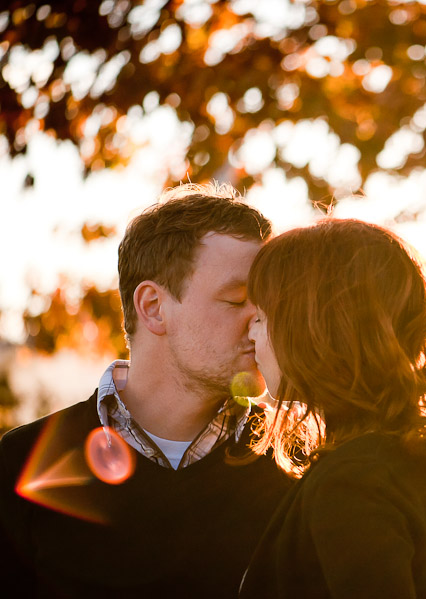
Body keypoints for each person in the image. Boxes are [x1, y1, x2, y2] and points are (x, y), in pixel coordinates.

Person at [0, 183, 292, 598]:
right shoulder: (24, 464)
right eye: (236, 300)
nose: (260, 322)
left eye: (266, 305)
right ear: (153, 307)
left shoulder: (293, 462)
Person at [239, 219, 426, 598]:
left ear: (314, 327)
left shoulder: (354, 480)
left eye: (261, 317)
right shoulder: (419, 465)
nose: (250, 333)